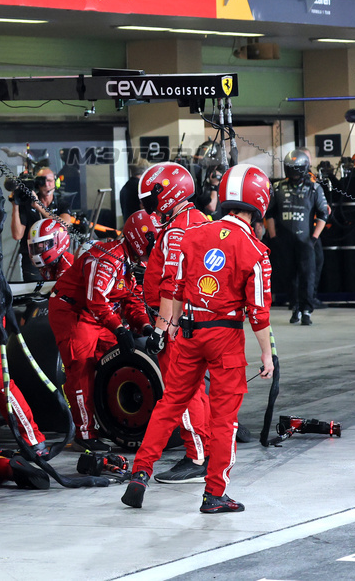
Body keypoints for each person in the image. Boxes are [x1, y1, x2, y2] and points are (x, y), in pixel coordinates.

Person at [122, 164, 275, 514]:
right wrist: (267, 355)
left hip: (189, 333)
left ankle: (140, 474)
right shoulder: (255, 252)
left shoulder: (192, 236)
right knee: (224, 419)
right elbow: (259, 312)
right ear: (258, 202)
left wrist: (166, 328)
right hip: (226, 338)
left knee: (169, 404)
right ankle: (214, 494)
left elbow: (172, 290)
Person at [48, 210, 156, 451]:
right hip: (72, 311)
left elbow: (131, 300)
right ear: (140, 238)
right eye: (153, 240)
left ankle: (108, 420)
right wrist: (119, 328)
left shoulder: (130, 261)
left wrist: (145, 326)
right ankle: (85, 435)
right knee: (82, 368)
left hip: (97, 313)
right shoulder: (107, 258)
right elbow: (96, 300)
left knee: (119, 357)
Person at [138, 162, 211, 484]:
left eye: (150, 200)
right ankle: (206, 448)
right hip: (202, 319)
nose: (149, 208)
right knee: (198, 389)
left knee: (182, 392)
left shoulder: (177, 230)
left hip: (178, 323)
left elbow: (172, 283)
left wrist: (161, 329)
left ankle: (197, 456)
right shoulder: (201, 221)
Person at [265, 150, 330, 326]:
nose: (293, 172)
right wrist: (273, 236)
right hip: (284, 241)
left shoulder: (314, 188)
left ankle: (306, 310)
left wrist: (314, 237)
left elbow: (324, 214)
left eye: (296, 169)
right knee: (289, 275)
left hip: (306, 240)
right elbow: (269, 213)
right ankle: (295, 307)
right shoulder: (278, 188)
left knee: (308, 275)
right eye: (290, 169)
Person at [10, 167, 72, 281]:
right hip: (33, 258)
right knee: (34, 294)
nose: (46, 184)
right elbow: (17, 235)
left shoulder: (62, 203)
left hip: (57, 255)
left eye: (49, 180)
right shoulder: (27, 203)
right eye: (42, 180)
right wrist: (15, 205)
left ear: (55, 182)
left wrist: (39, 207)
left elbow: (65, 223)